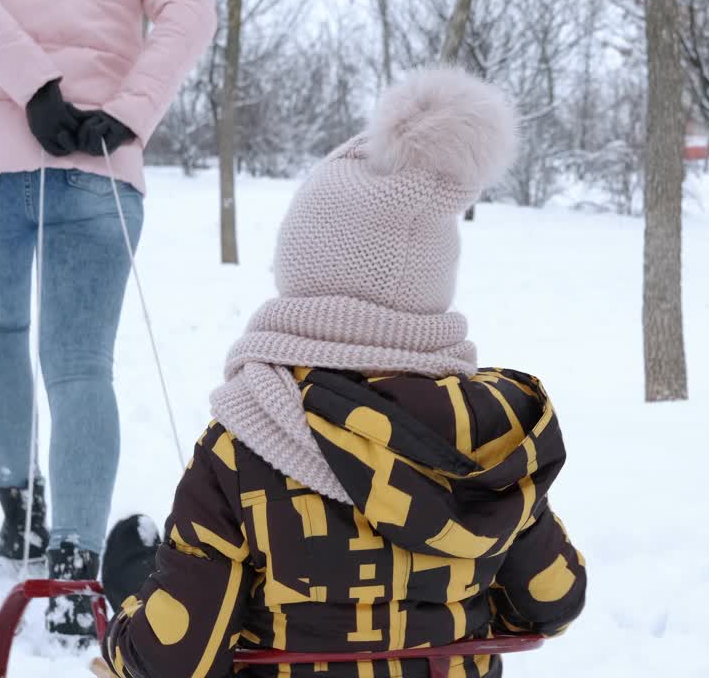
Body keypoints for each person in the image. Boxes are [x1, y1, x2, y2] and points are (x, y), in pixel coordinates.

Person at [97, 67, 588, 678]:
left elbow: (176, 659)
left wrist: (122, 634)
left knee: (137, 587)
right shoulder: (488, 443)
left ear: (306, 281)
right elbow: (553, 601)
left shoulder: (250, 440)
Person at [0, 0, 217, 644]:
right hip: (95, 160)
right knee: (81, 363)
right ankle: (78, 576)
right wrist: (129, 110)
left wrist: (30, 88)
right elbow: (191, 8)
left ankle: (22, 520)